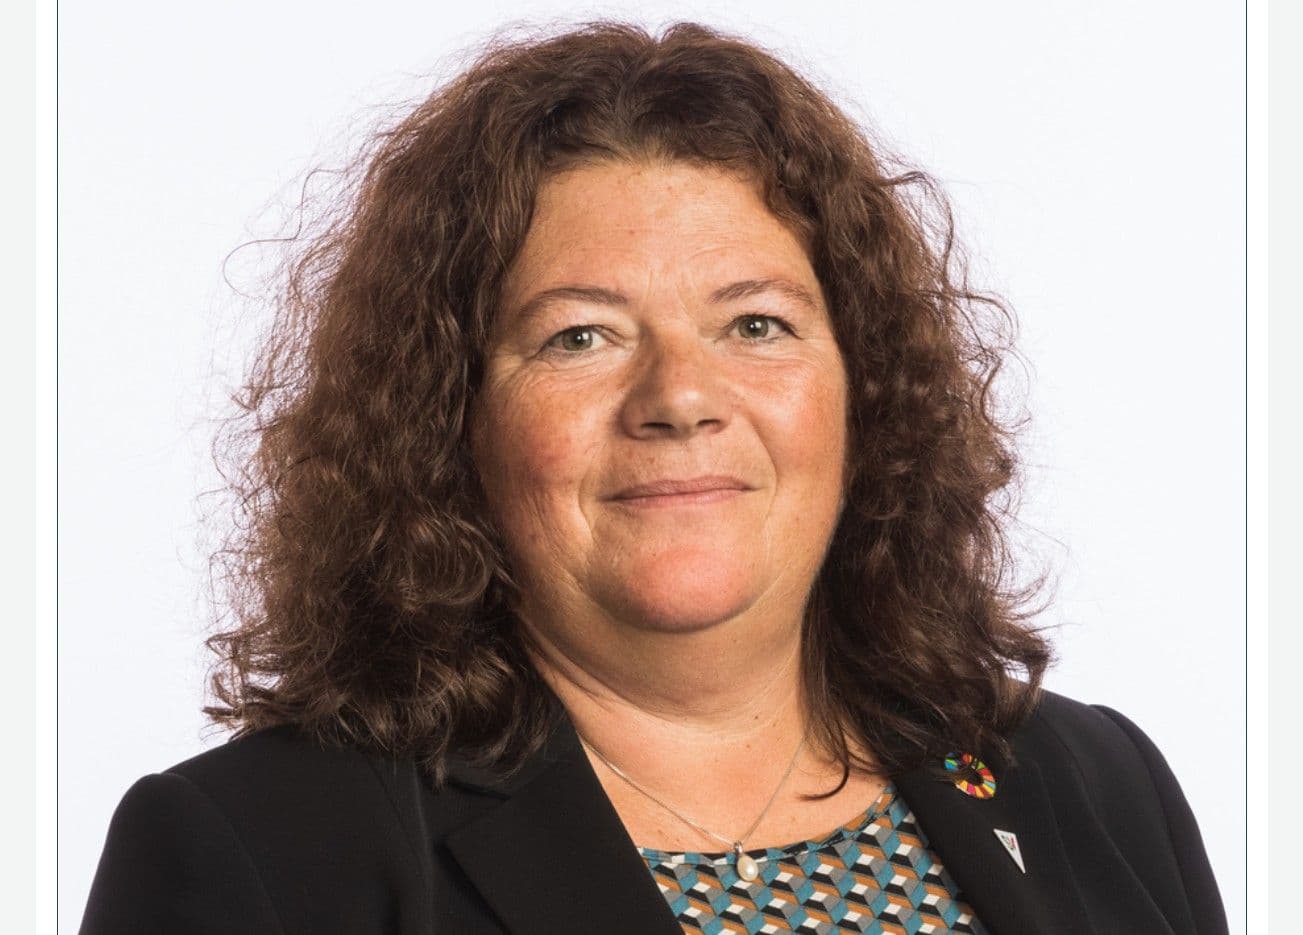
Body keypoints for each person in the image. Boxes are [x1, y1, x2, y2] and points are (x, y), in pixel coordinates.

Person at [79, 20, 1227, 935]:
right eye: (579, 336)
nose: (680, 395)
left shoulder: (1092, 781)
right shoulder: (265, 851)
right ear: (444, 418)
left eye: (756, 323)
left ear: (864, 390)